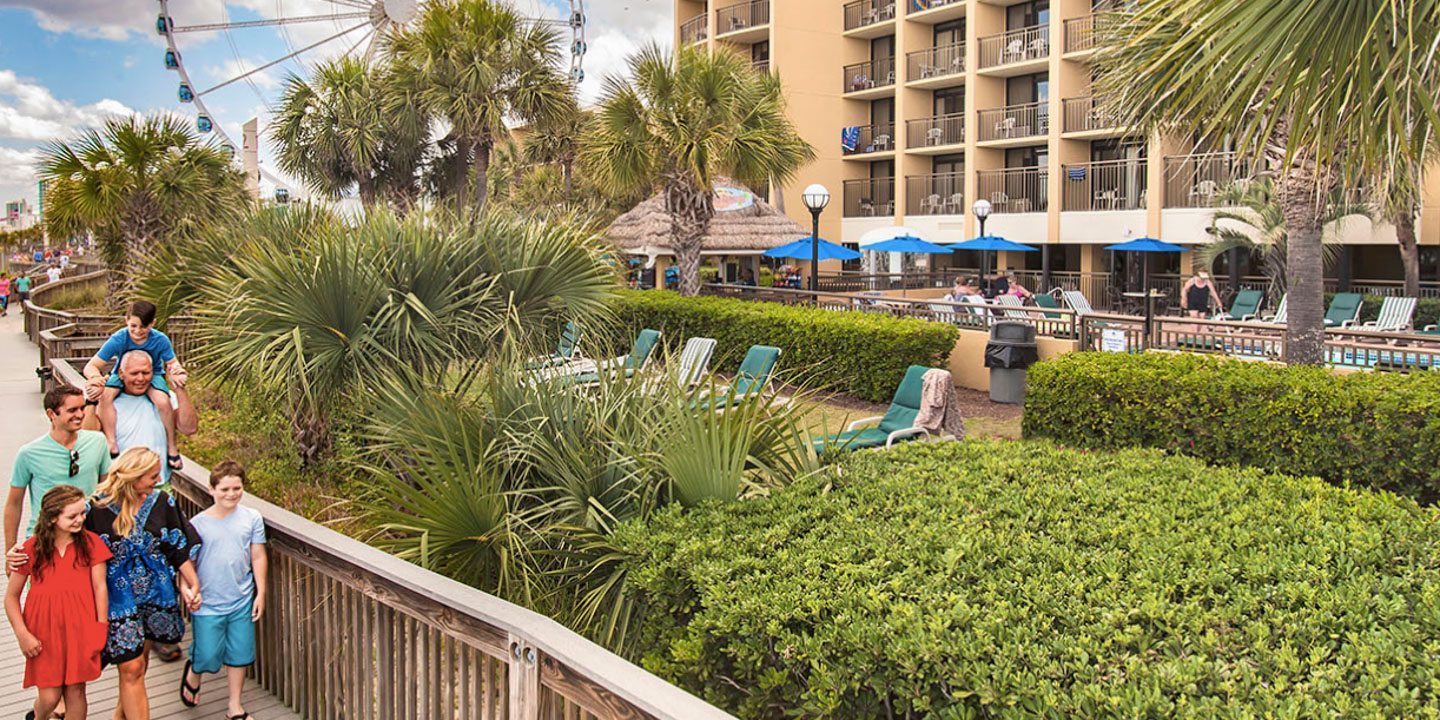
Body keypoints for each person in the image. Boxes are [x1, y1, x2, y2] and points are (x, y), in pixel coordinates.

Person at [5, 448, 202, 720]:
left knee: (137, 667)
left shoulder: (162, 502)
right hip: (116, 602)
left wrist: (192, 584)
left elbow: (178, 547)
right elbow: (57, 523)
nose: (157, 481)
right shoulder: (92, 509)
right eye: (151, 476)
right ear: (132, 477)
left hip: (153, 598)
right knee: (131, 668)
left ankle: (121, 715)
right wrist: (18, 550)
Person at [5, 485, 110, 720]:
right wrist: (23, 634)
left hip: (80, 628)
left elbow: (100, 587)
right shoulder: (30, 549)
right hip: (43, 632)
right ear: (52, 518)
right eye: (72, 516)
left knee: (75, 690)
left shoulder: (91, 544)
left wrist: (100, 626)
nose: (80, 520)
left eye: (82, 513)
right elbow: (11, 597)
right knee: (50, 697)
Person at [181, 460, 267, 720]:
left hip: (240, 598)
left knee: (239, 654)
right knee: (208, 654)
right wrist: (187, 589)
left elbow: (258, 556)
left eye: (237, 488)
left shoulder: (252, 518)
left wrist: (260, 592)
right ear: (212, 489)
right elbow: (187, 564)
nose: (231, 494)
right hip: (207, 602)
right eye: (225, 489)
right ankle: (194, 670)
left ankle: (234, 706)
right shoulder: (198, 524)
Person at [6, 386, 112, 554]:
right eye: (72, 410)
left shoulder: (98, 442)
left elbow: (107, 491)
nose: (80, 414)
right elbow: (14, 503)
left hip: (87, 535)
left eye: (82, 408)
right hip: (44, 538)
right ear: (51, 414)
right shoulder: (29, 453)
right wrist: (9, 549)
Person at [84, 300, 189, 467]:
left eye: (143, 327)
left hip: (153, 373)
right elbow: (92, 365)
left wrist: (177, 372)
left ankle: (171, 445)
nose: (137, 331)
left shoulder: (160, 339)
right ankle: (111, 440)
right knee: (105, 397)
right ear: (126, 320)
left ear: (152, 324)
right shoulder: (120, 338)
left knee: (163, 401)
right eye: (133, 326)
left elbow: (172, 362)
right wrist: (95, 378)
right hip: (122, 373)